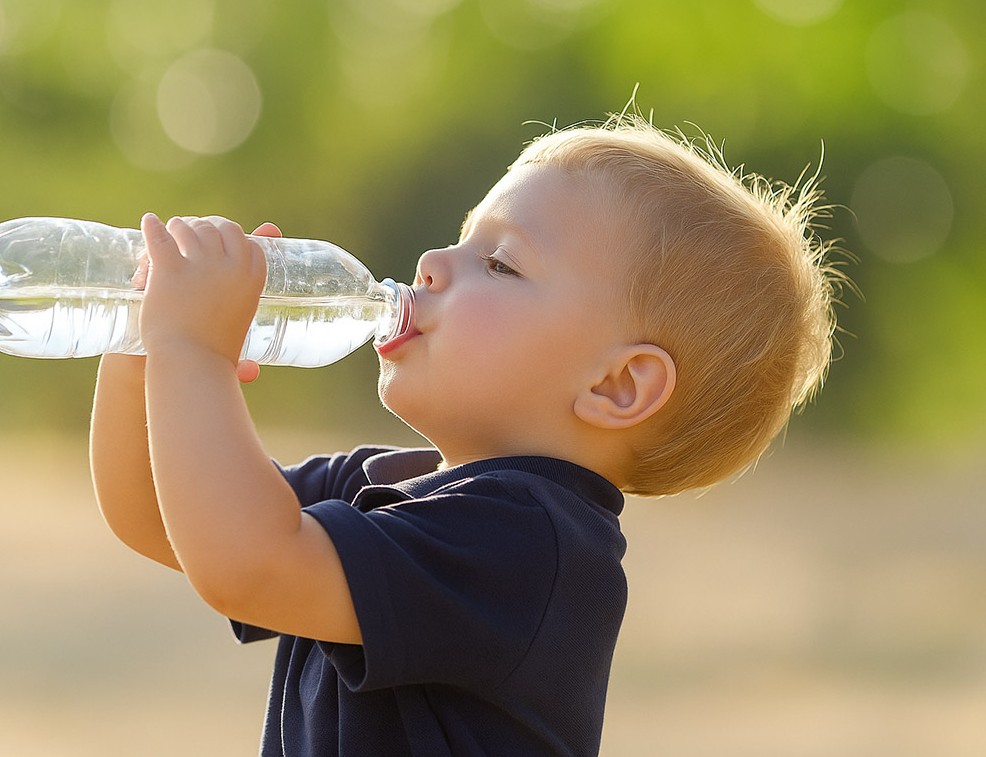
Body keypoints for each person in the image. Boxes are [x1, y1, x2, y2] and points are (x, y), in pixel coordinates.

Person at [89, 112, 842, 756]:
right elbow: (155, 515)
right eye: (459, 237)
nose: (431, 264)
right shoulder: (390, 487)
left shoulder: (526, 548)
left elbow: (248, 565)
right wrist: (144, 351)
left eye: (499, 263)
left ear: (617, 386)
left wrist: (196, 352)